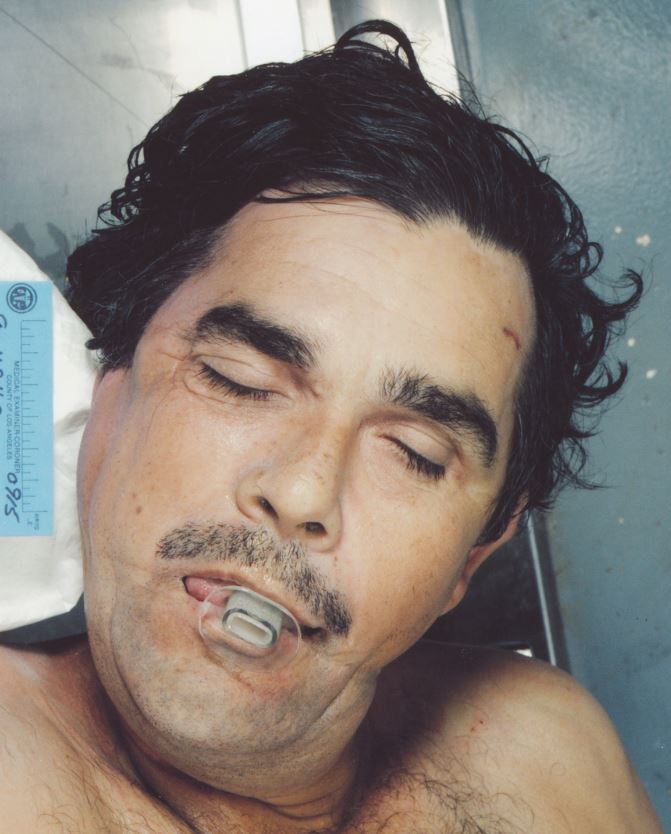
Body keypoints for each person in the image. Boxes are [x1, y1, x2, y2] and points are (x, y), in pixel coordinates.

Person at [0, 20, 662, 834]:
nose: (302, 490)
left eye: (414, 454)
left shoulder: (552, 756)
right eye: (237, 379)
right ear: (109, 393)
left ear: (476, 553)